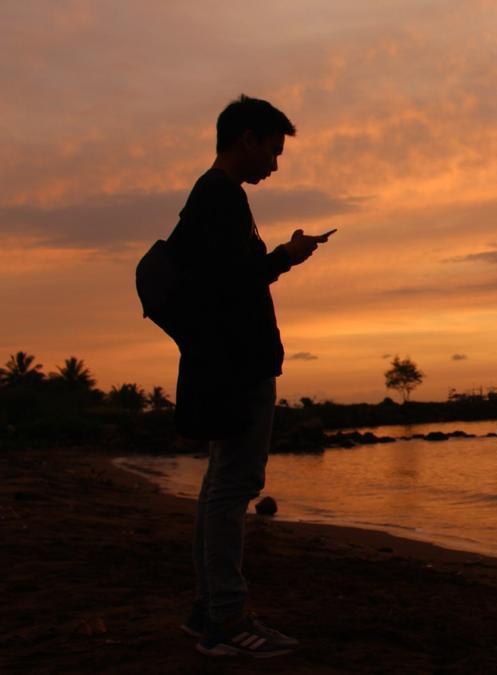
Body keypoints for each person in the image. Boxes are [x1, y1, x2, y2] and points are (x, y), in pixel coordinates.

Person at [168, 94, 330, 658]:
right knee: (233, 489)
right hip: (238, 366)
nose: (276, 163)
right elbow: (236, 283)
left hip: (226, 363)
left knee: (220, 486)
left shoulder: (211, 198)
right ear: (248, 140)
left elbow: (227, 278)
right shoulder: (219, 197)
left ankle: (208, 610)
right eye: (273, 149)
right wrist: (286, 256)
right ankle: (227, 621)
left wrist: (282, 256)